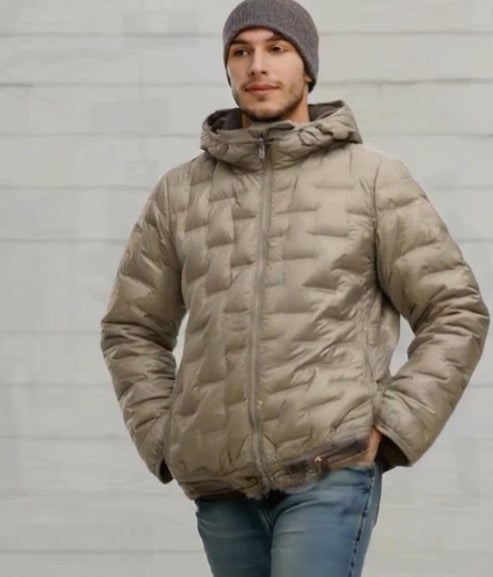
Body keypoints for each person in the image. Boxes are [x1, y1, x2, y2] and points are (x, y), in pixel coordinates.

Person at [100, 0, 490, 575]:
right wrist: (165, 437)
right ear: (228, 68)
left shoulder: (371, 179)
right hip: (220, 486)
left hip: (330, 470)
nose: (258, 65)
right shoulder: (179, 193)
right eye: (241, 51)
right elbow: (132, 327)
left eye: (277, 49)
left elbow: (454, 308)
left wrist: (395, 425)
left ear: (307, 67)